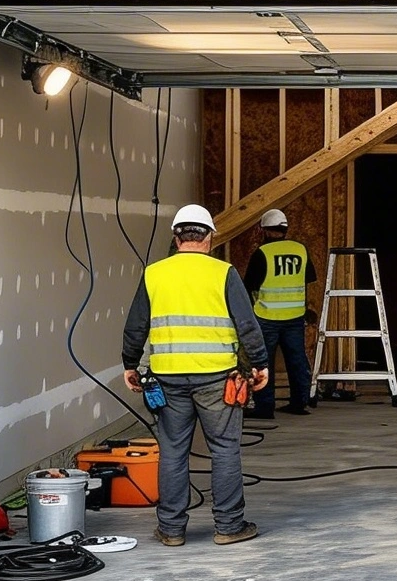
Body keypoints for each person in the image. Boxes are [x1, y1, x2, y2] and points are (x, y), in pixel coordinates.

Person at [121, 203, 269, 547]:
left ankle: (172, 530)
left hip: (167, 379)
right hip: (218, 379)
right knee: (225, 449)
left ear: (176, 238)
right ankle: (229, 527)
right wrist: (260, 363)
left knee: (172, 451)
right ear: (210, 238)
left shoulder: (153, 274)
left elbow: (136, 327)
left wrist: (131, 364)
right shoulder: (224, 273)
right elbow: (247, 324)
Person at [242, 206, 315, 416]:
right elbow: (307, 280)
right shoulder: (300, 250)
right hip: (294, 316)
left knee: (264, 362)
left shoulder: (262, 253)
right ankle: (299, 403)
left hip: (267, 317)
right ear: (285, 229)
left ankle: (265, 407)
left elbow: (250, 286)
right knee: (297, 359)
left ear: (264, 230)